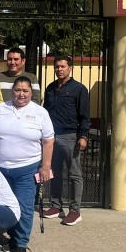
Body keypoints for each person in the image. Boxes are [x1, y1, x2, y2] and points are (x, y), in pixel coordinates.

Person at [0, 76, 54, 252]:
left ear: (31, 93)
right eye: (17, 90)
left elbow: (48, 141)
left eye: (25, 91)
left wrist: (45, 166)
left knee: (24, 207)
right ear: (12, 91)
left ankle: (20, 243)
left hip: (27, 169)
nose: (21, 94)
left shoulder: (40, 113)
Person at [43, 56, 91, 226]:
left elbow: (84, 115)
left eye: (63, 66)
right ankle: (56, 206)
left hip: (71, 136)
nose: (59, 69)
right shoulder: (50, 88)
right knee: (54, 172)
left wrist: (83, 136)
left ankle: (75, 210)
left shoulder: (79, 89)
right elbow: (45, 113)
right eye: (57, 67)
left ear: (70, 68)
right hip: (52, 137)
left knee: (74, 174)